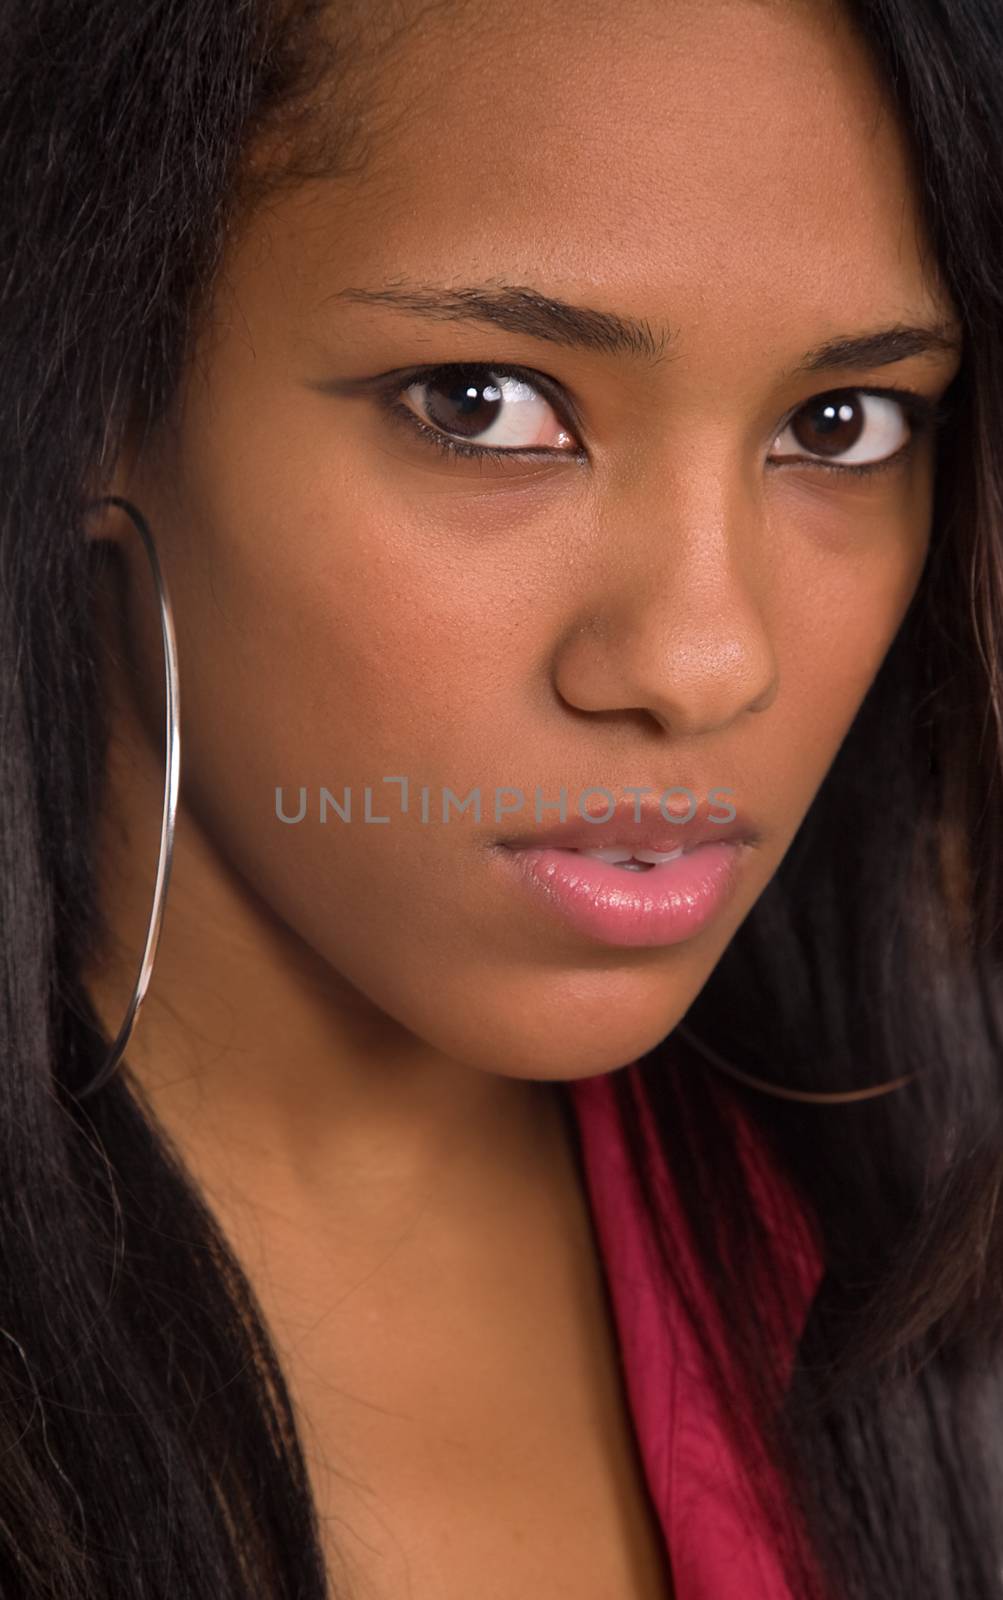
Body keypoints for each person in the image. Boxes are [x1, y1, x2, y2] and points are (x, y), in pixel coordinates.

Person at [2, 0, 1002, 1595]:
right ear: (98, 375)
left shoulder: (905, 1274)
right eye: (485, 405)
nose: (701, 661)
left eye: (841, 425)